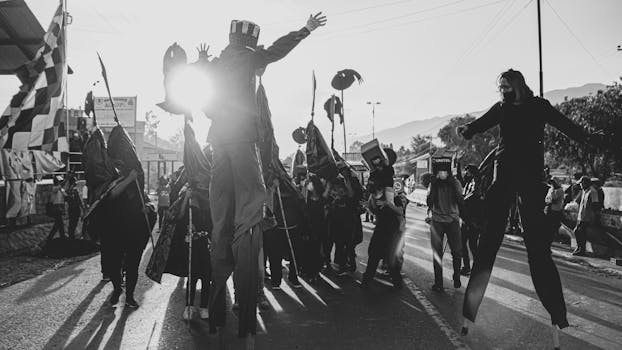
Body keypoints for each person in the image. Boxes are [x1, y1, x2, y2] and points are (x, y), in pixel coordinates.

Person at [206, 12, 327, 341]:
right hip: (243, 140)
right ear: (250, 42)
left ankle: (220, 244)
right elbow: (277, 49)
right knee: (255, 198)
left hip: (218, 144)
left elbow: (202, 96)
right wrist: (305, 30)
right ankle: (248, 228)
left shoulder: (217, 63)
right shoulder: (249, 58)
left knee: (219, 211)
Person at [456, 69, 607, 331]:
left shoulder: (539, 106)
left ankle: (558, 315)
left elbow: (565, 125)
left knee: (537, 251)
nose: (503, 90)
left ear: (518, 85)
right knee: (488, 246)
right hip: (502, 178)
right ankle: (470, 311)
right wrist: (467, 129)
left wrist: (589, 138)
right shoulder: (501, 108)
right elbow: (479, 124)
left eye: (506, 86)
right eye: (500, 87)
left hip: (529, 179)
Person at [361, 148, 405, 289]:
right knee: (374, 254)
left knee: (389, 256)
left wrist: (388, 204)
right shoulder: (375, 194)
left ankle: (396, 283)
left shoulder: (393, 194)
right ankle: (366, 281)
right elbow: (373, 209)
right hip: (381, 226)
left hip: (393, 228)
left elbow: (399, 211)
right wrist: (370, 203)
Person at [426, 160, 464, 292]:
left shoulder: (456, 183)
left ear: (448, 173)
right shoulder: (433, 184)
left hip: (452, 220)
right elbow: (429, 202)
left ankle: (457, 275)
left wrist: (454, 185)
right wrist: (434, 185)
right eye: (440, 171)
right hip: (437, 221)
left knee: (457, 252)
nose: (442, 174)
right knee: (437, 253)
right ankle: (438, 283)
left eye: (445, 171)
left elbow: (460, 200)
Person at [303, 174, 329, 282]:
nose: (309, 185)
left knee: (318, 250)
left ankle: (316, 271)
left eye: (311, 183)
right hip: (309, 227)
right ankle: (310, 273)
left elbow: (325, 213)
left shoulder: (322, 198)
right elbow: (301, 198)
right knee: (309, 250)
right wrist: (304, 186)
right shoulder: (306, 198)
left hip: (320, 227)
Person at [460, 164, 482, 276]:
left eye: (467, 172)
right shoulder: (468, 183)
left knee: (471, 244)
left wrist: (463, 200)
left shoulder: (476, 182)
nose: (465, 174)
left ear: (472, 173)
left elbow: (474, 194)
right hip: (466, 218)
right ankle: (468, 267)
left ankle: (474, 268)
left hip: (472, 219)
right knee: (465, 243)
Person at [573, 176, 599, 256]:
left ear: (585, 183)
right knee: (577, 231)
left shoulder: (593, 191)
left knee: (580, 232)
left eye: (581, 183)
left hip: (587, 216)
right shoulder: (584, 191)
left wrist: (593, 217)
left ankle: (581, 249)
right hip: (581, 215)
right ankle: (579, 248)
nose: (580, 185)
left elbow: (595, 205)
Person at [46, 176, 67, 242]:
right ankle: (58, 236)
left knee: (59, 223)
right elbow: (61, 186)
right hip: (55, 208)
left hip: (59, 207)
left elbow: (65, 195)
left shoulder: (60, 189)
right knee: (59, 223)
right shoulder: (54, 188)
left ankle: (60, 236)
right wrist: (68, 178)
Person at [545, 178, 565, 243]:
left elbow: (554, 200)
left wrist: (549, 200)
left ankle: (555, 237)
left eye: (553, 182)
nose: (552, 184)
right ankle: (549, 237)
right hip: (549, 209)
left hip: (556, 210)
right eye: (551, 182)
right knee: (548, 224)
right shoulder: (550, 189)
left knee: (554, 225)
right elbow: (546, 199)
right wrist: (549, 200)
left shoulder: (560, 190)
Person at [65, 175, 83, 240]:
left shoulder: (71, 190)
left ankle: (71, 236)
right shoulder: (73, 190)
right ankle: (71, 237)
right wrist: (82, 206)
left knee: (72, 223)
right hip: (74, 209)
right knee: (73, 223)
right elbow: (77, 199)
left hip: (73, 209)